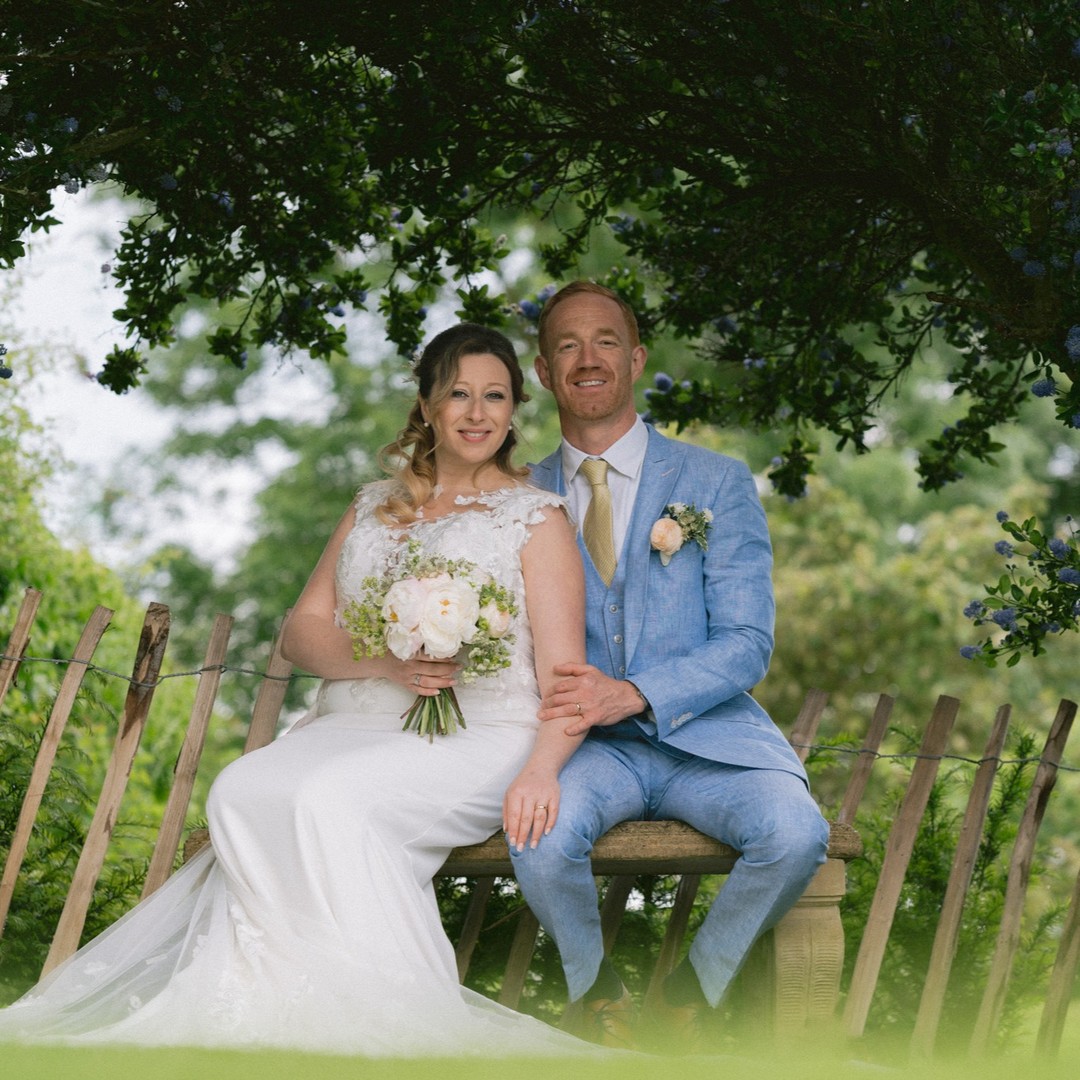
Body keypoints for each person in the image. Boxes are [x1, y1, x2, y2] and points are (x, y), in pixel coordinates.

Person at [0, 323, 594, 1056]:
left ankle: (371, 1023)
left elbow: (567, 680)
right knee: (242, 790)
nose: (477, 413)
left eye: (495, 396)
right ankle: (269, 1007)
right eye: (459, 394)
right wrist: (387, 662)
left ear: (513, 408)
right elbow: (301, 633)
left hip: (479, 733)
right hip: (353, 719)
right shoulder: (374, 506)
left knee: (326, 802)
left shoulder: (534, 518)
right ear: (428, 406)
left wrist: (541, 768)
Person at [511, 281, 830, 1051]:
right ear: (547, 374)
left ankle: (692, 997)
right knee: (538, 838)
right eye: (566, 346)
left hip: (708, 743)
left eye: (606, 341)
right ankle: (598, 997)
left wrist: (635, 692)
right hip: (588, 752)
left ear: (636, 358)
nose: (588, 359)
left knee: (795, 832)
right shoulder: (517, 495)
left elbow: (749, 639)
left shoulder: (715, 482)